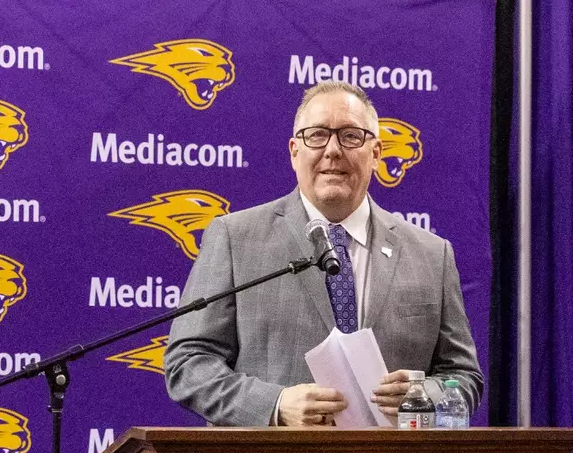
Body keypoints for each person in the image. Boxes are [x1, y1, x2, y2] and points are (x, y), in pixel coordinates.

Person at [164, 81, 482, 427]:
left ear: (376, 153)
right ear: (294, 151)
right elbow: (188, 362)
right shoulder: (235, 238)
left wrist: (423, 396)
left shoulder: (432, 255)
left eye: (350, 136)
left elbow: (463, 377)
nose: (332, 150)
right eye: (317, 135)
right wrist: (275, 405)